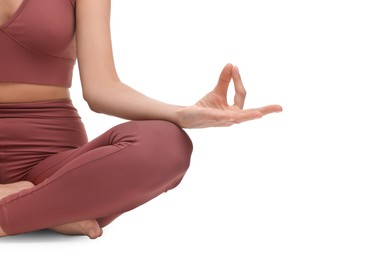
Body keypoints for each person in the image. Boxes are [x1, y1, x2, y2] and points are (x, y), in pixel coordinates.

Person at [0, 0, 282, 239]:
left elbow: (101, 89)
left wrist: (181, 114)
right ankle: (46, 209)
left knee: (165, 144)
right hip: (61, 184)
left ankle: (28, 206)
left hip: (55, 163)